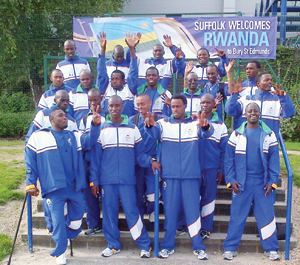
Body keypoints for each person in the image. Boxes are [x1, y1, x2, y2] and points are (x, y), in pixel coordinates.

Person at [25, 108, 101, 265]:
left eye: (65, 116)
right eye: (61, 116)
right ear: (52, 119)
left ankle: (63, 236)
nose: (65, 118)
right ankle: (60, 251)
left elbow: (90, 139)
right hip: (54, 188)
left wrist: (94, 124)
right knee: (58, 221)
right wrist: (30, 183)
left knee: (76, 222)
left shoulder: (74, 135)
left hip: (75, 187)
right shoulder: (39, 137)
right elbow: (30, 160)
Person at [89, 95, 160, 258]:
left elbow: (140, 154)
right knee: (109, 213)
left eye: (117, 106)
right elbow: (96, 159)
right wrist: (95, 181)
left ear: (122, 107)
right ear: (107, 108)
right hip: (108, 180)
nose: (114, 109)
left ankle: (144, 245)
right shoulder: (102, 129)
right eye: (111, 106)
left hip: (127, 180)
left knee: (132, 212)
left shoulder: (132, 128)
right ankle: (113, 245)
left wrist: (151, 161)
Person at [144, 94, 214, 260]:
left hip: (191, 175)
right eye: (173, 106)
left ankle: (198, 246)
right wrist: (148, 125)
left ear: (185, 106)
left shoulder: (195, 122)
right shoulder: (163, 123)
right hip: (170, 176)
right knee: (170, 212)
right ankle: (168, 246)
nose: (175, 109)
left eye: (178, 106)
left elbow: (207, 133)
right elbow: (153, 133)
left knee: (192, 212)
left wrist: (205, 127)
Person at [222, 102, 281, 261]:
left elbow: (274, 161)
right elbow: (228, 161)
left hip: (262, 183)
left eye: (255, 111)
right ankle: (230, 248)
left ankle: (271, 249)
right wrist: (231, 180)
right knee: (237, 216)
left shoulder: (269, 134)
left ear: (259, 113)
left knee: (267, 216)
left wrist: (272, 181)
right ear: (245, 114)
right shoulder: (236, 134)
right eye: (249, 111)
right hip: (242, 183)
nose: (252, 113)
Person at [225, 72, 296, 137]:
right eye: (266, 80)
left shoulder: (277, 100)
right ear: (258, 83)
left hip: (269, 141)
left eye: (271, 80)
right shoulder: (246, 99)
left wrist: (283, 98)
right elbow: (229, 111)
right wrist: (235, 94)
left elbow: (289, 113)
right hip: (248, 140)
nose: (270, 82)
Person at [198, 93, 228, 239]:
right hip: (194, 167)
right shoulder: (193, 121)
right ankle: (190, 226)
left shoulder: (221, 126)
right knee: (192, 199)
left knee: (208, 199)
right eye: (203, 102)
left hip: (211, 168)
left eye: (208, 102)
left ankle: (206, 228)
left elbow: (224, 150)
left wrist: (221, 170)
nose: (205, 105)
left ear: (214, 104)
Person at [129, 94, 162, 224]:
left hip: (152, 164)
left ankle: (151, 211)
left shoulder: (159, 119)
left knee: (154, 195)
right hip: (136, 164)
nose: (141, 107)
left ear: (150, 103)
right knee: (137, 197)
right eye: (138, 104)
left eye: (143, 103)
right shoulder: (132, 121)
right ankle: (140, 224)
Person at [78, 88, 106, 236]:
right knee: (90, 194)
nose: (93, 103)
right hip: (89, 160)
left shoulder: (108, 115)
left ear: (101, 99)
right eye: (91, 100)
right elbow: (83, 141)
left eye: (96, 100)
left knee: (105, 193)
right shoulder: (84, 119)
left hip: (105, 160)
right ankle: (94, 224)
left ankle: (108, 225)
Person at [96, 32, 139, 117]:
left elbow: (134, 71)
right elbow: (101, 73)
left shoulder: (129, 89)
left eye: (117, 79)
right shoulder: (107, 88)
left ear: (123, 80)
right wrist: (103, 49)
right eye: (112, 79)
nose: (114, 81)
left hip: (127, 125)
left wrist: (132, 48)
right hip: (110, 125)